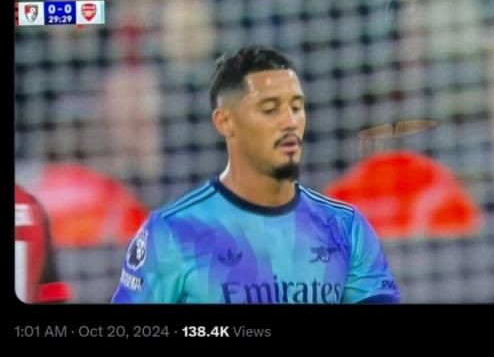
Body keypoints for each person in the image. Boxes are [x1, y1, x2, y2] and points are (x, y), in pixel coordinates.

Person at [112, 46, 400, 303]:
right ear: (225, 122)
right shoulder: (171, 232)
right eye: (270, 109)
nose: (290, 122)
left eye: (297, 107)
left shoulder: (345, 226)